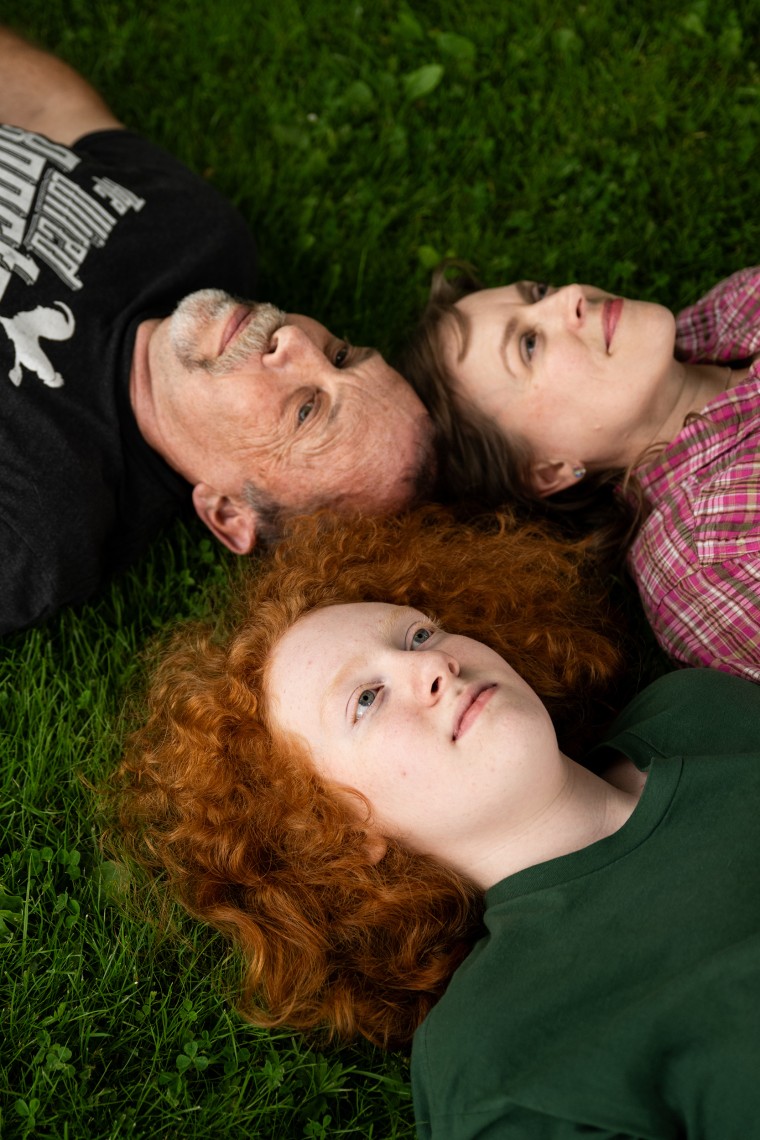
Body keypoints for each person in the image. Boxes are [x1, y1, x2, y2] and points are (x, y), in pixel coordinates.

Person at [111, 508, 760, 1139]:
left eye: (418, 634)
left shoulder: (694, 708)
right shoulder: (498, 1052)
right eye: (365, 700)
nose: (432, 666)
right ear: (337, 830)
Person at [0, 27, 432, 635]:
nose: (297, 341)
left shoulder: (39, 522)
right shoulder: (199, 238)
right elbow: (49, 110)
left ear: (228, 513)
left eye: (307, 411)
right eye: (342, 353)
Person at [401, 262, 760, 682]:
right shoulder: (713, 552)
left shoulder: (729, 311)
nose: (569, 293)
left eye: (537, 292)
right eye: (529, 345)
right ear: (549, 470)